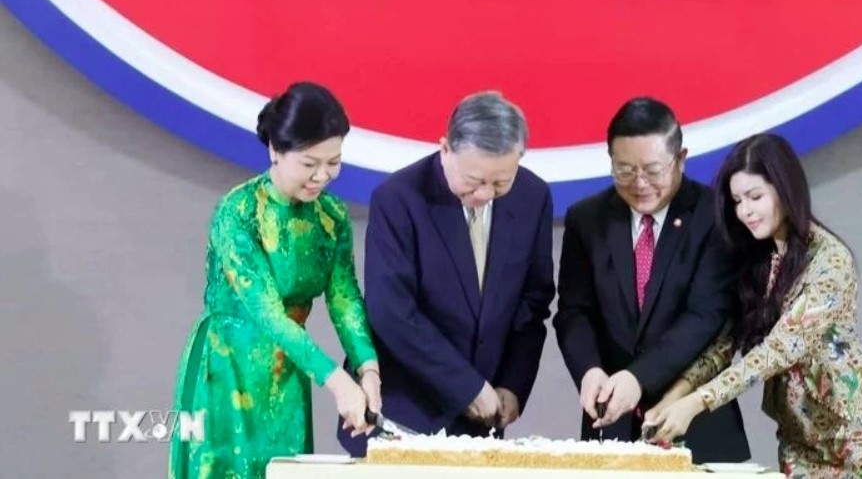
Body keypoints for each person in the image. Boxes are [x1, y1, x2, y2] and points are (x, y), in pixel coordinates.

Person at [643, 133, 862, 477]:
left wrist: (696, 404)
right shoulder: (756, 262)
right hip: (799, 444)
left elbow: (778, 350)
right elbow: (723, 346)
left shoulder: (830, 261)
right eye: (737, 200)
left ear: (785, 190)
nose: (745, 211)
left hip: (860, 440)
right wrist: (674, 397)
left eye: (755, 197)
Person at [168, 82, 380, 479]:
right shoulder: (238, 213)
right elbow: (266, 312)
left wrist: (368, 371)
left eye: (333, 162)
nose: (323, 175)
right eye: (309, 163)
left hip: (287, 371)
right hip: (226, 367)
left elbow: (344, 298)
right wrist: (336, 381)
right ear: (275, 151)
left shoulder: (331, 217)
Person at [337, 91, 555, 456]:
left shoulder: (533, 197)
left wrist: (513, 384)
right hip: (402, 412)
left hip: (481, 422)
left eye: (501, 182)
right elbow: (392, 313)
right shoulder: (399, 198)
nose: (486, 193)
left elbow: (532, 304)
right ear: (445, 150)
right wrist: (466, 387)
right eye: (473, 180)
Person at [553, 97, 750, 463]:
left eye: (653, 170)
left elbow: (706, 316)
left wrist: (637, 378)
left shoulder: (715, 216)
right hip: (610, 427)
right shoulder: (587, 219)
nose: (639, 183)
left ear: (681, 158)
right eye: (624, 170)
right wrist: (589, 370)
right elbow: (573, 312)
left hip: (697, 426)